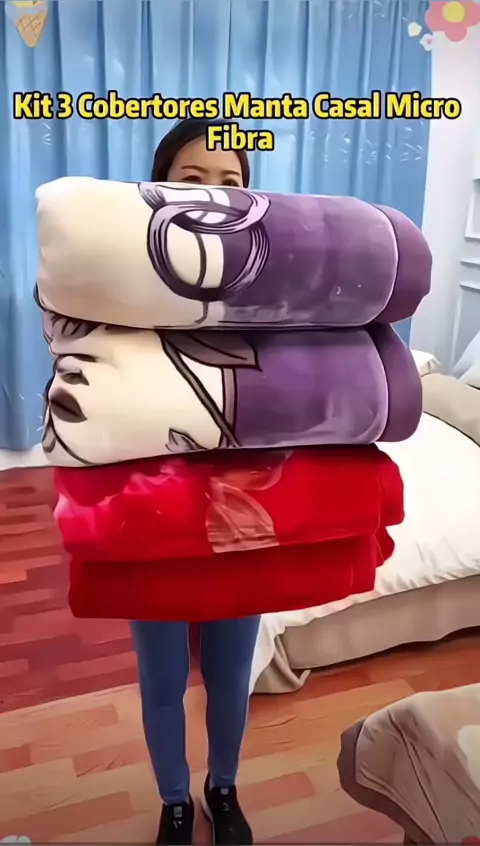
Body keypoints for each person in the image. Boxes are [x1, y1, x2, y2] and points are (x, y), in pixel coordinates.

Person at [131, 118, 258, 846]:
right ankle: (175, 800)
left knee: (232, 673)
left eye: (230, 181)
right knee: (162, 677)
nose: (212, 195)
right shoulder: (120, 286)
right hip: (153, 513)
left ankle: (223, 787)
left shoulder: (269, 289)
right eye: (191, 179)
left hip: (241, 509)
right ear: (158, 189)